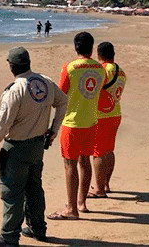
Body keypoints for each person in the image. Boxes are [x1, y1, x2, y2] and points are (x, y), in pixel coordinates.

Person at [0, 47, 67, 247]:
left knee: (12, 191)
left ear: (11, 66)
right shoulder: (45, 82)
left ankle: (9, 235)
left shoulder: (15, 90)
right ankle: (38, 228)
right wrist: (53, 129)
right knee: (34, 188)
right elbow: (63, 101)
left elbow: (3, 124)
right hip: (37, 145)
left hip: (16, 147)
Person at [48, 32, 105, 221]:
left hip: (72, 122)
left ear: (76, 47)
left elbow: (60, 94)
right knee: (85, 160)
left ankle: (71, 208)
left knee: (69, 164)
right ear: (91, 47)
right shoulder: (100, 68)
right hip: (91, 121)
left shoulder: (70, 67)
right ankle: (81, 203)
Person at [89, 42, 126, 198]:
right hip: (115, 113)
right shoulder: (121, 71)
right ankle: (106, 184)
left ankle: (99, 189)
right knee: (109, 150)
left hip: (101, 115)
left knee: (98, 152)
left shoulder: (103, 70)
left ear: (99, 55)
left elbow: (94, 88)